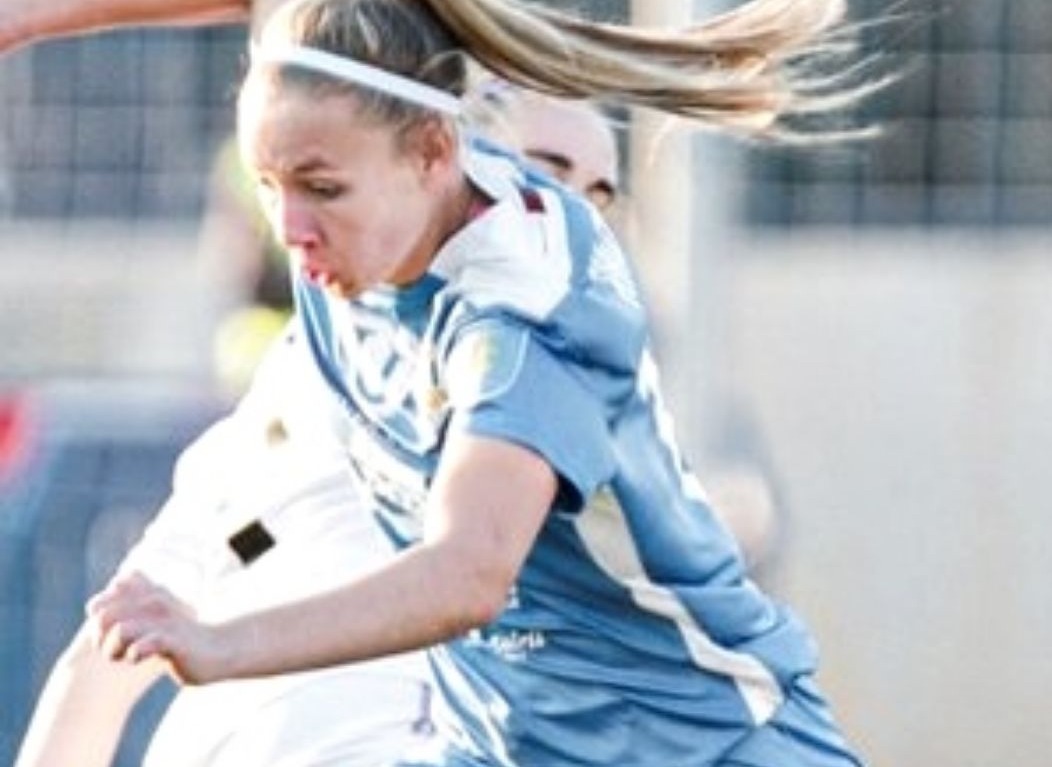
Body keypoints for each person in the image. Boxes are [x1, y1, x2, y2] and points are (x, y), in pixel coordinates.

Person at [0, 0, 876, 766]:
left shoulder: (523, 315)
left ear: (438, 156)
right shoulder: (357, 151)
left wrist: (218, 646)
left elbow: (467, 575)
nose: (290, 228)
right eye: (273, 184)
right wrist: (17, 15)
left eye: (320, 187)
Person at [11, 89, 628, 767]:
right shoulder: (318, 399)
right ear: (441, 165)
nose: (572, 216)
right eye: (545, 171)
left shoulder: (588, 436)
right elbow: (100, 666)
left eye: (597, 197)